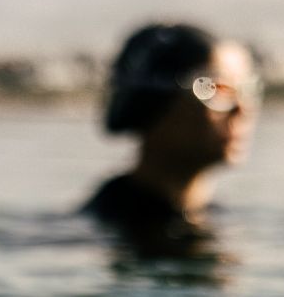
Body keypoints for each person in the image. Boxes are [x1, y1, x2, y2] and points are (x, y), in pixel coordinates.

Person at [82, 22, 260, 255]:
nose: (242, 109)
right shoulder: (105, 231)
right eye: (216, 88)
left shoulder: (213, 217)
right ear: (149, 106)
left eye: (248, 89)